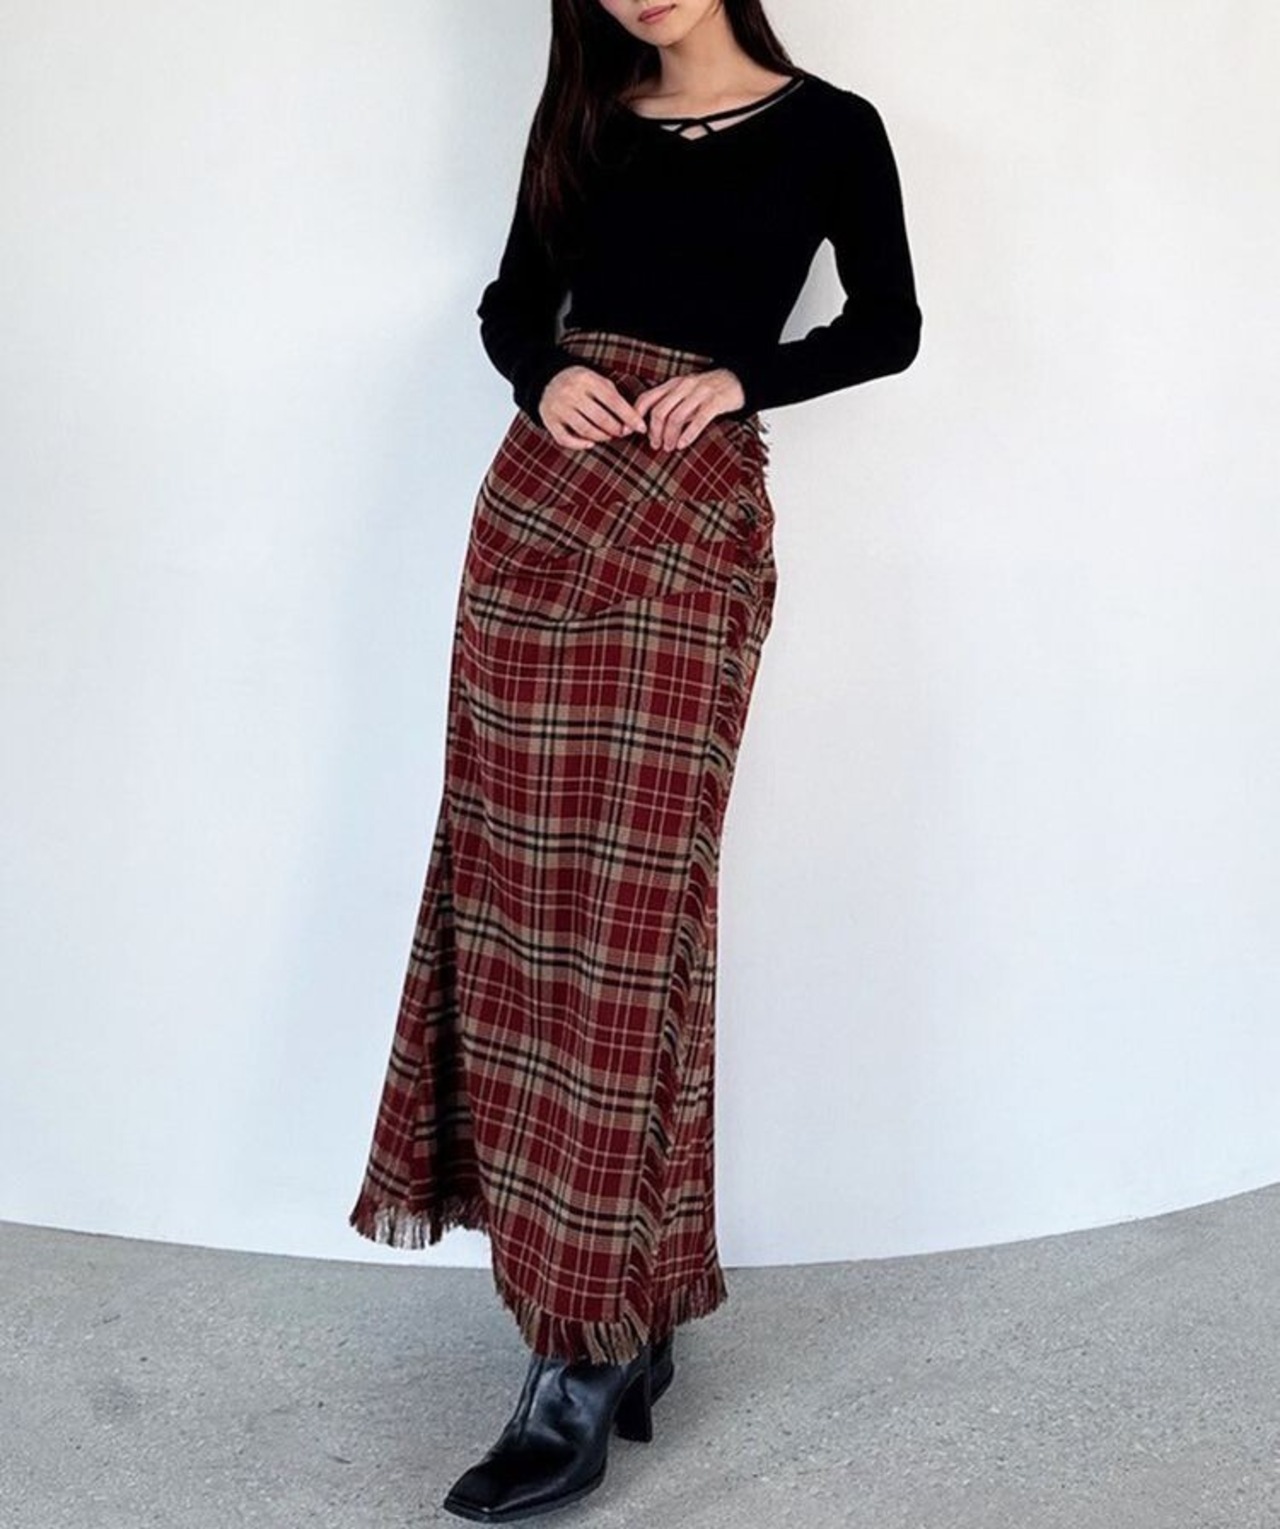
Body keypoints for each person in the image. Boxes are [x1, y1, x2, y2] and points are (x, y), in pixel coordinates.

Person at [347, 1, 922, 1520]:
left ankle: (584, 1344)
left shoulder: (833, 129)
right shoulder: (588, 122)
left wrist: (743, 380)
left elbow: (890, 324)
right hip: (540, 516)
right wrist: (540, 375)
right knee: (514, 900)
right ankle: (611, 1324)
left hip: (690, 519)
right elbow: (511, 305)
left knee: (634, 923)